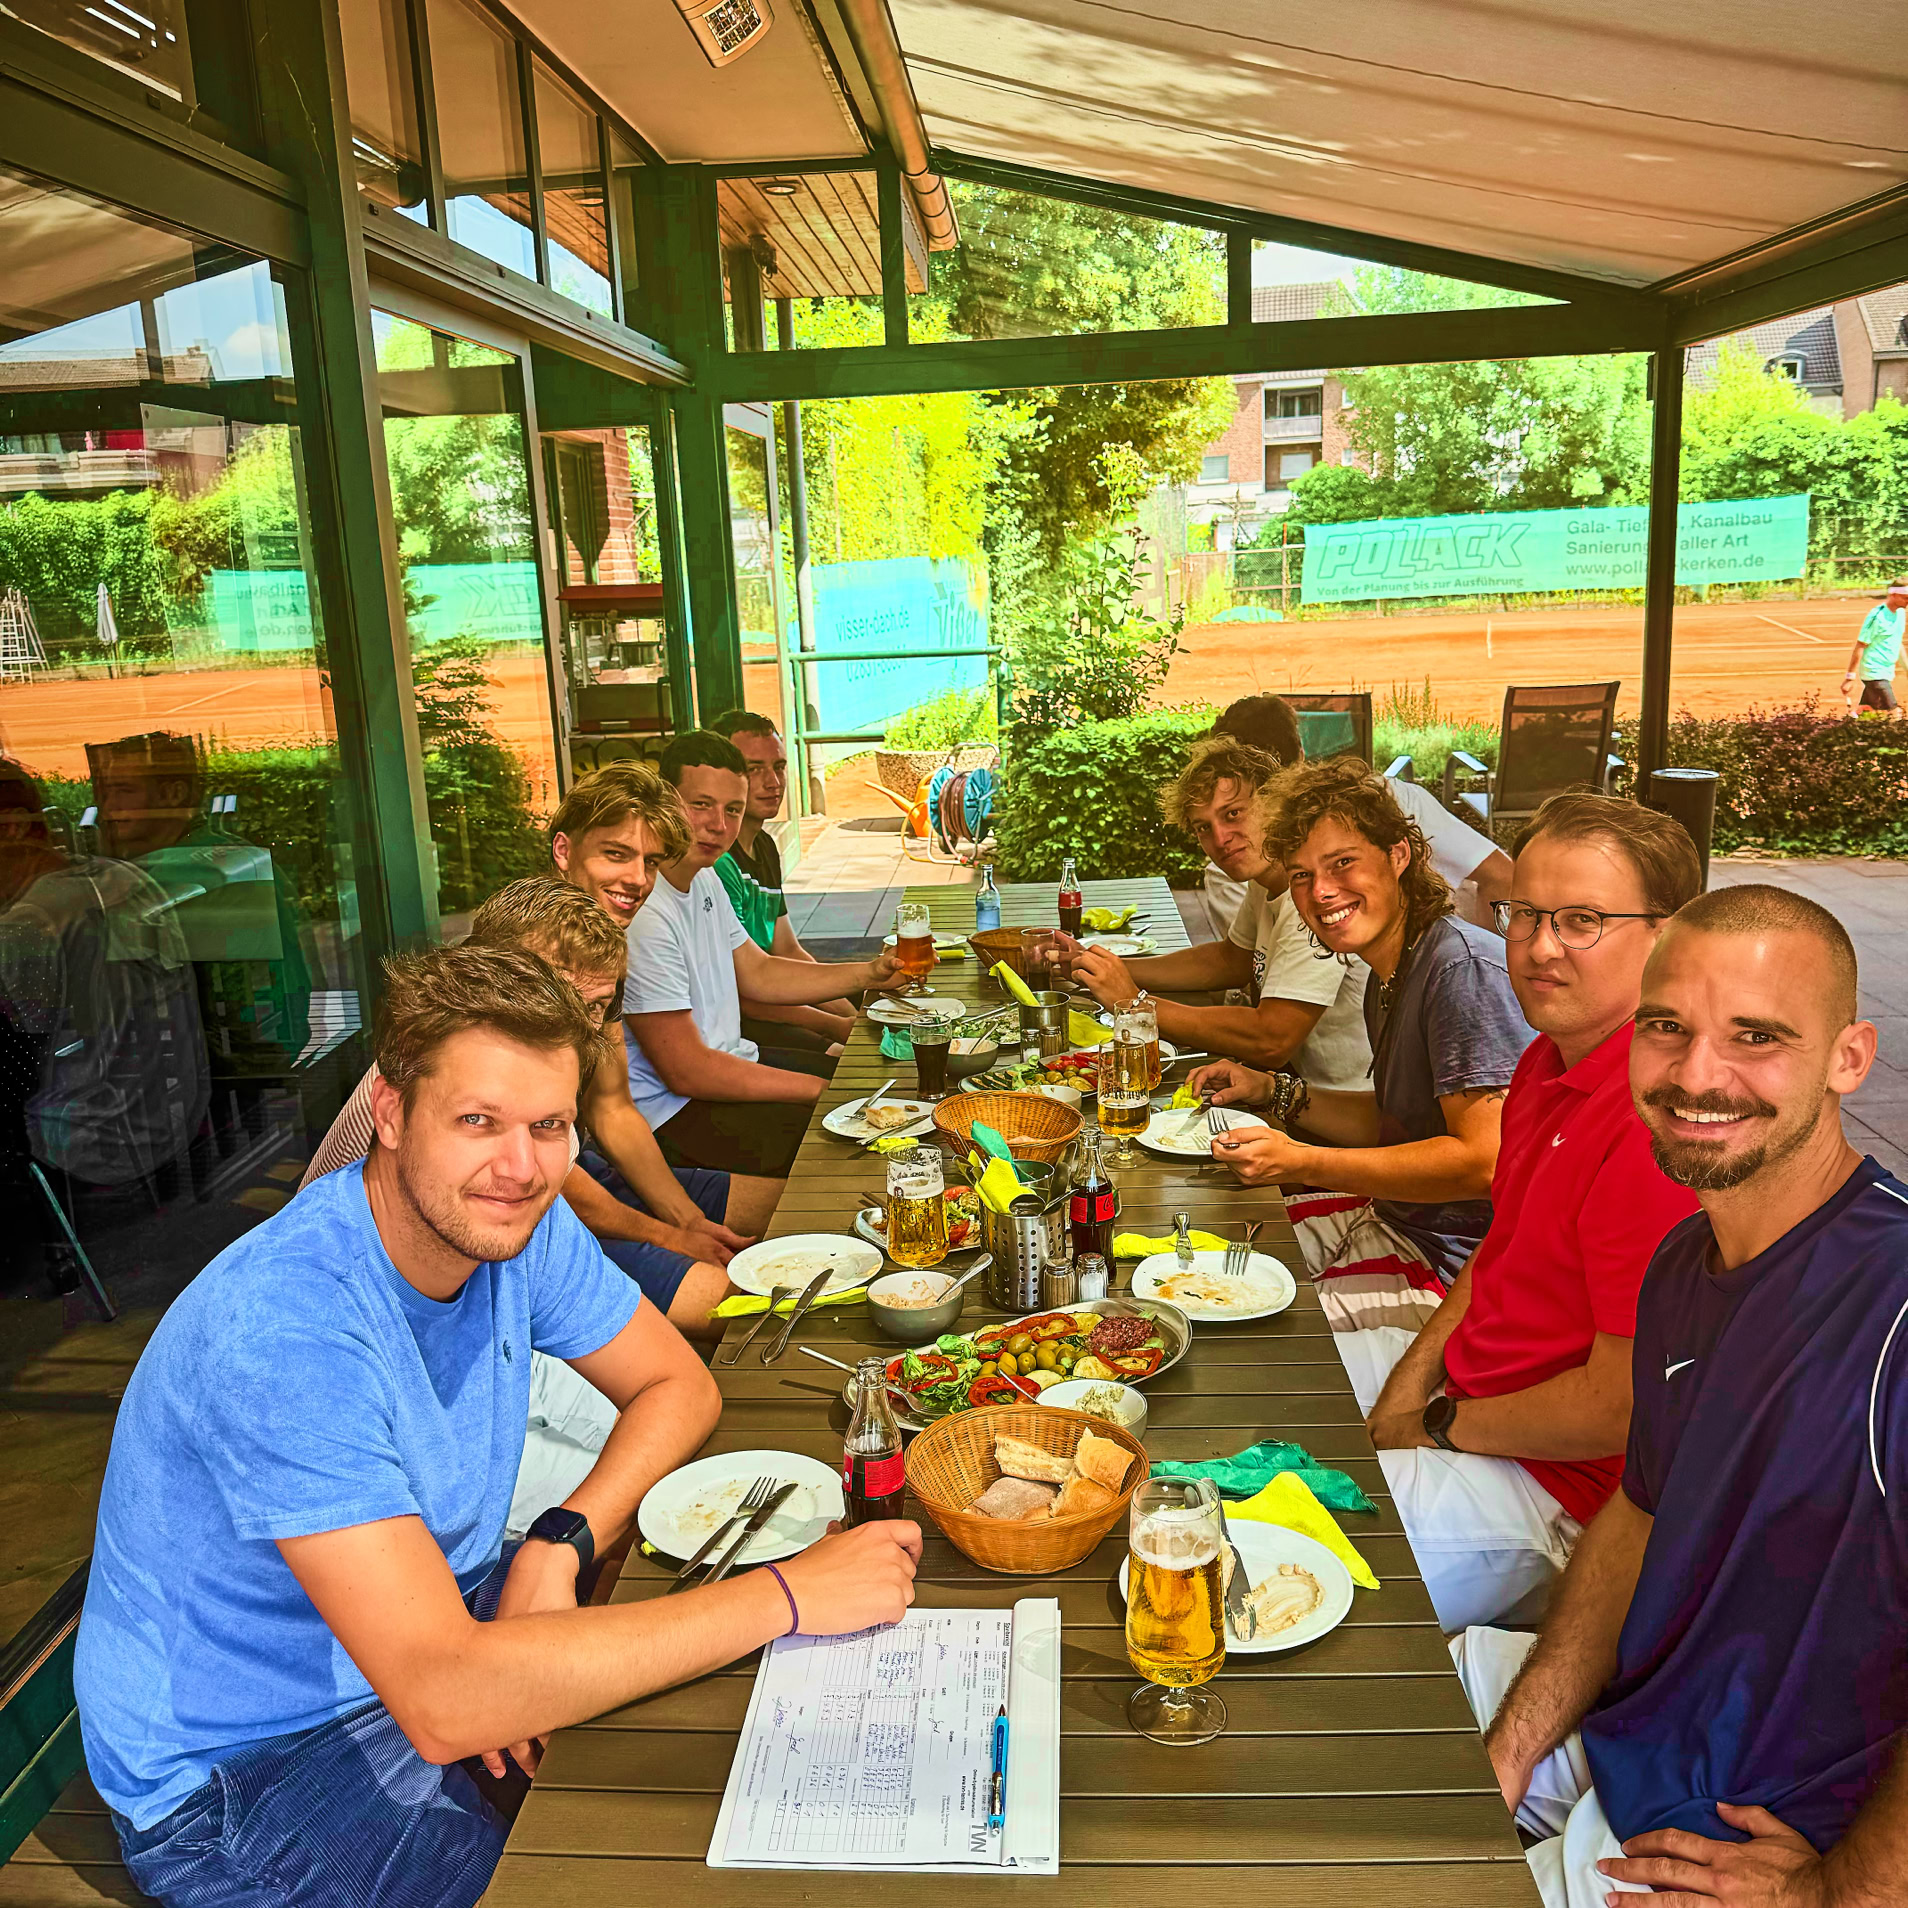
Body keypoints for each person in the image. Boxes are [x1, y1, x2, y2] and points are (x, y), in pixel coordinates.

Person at [75, 941, 922, 1908]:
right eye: (477, 1121)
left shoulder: (516, 1220)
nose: (519, 1166)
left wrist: (559, 1542)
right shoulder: (287, 1330)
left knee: (751, 1749)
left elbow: (678, 1386)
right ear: (390, 1115)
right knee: (611, 1864)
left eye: (549, 1125)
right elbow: (446, 1702)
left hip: (442, 1617)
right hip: (251, 1767)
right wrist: (791, 1594)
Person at [1455, 884, 1908, 1908]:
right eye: (1669, 1028)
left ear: (1849, 1057)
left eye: (1757, 1036)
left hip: (1743, 1826)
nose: (1700, 1075)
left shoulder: (1893, 1304)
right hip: (1640, 1727)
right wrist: (1516, 1745)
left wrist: (1834, 1895)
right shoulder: (1684, 1263)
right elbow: (1640, 1510)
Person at [1326, 795, 1702, 1633]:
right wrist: (1417, 1392)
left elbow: (1615, 1408)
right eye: (1524, 912)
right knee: (1275, 1391)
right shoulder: (1544, 1061)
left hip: (1556, 1492)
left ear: (1668, 936)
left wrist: (1437, 1425)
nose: (1535, 947)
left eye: (1581, 920)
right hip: (1474, 1396)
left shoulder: (1657, 1126)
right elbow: (1500, 1254)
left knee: (1286, 1566)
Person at [303, 877, 771, 1353]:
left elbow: (597, 1131)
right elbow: (541, 1192)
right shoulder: (457, 1073)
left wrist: (681, 1227)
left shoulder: (540, 1072)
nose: (579, 1026)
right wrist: (672, 1236)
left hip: (521, 1219)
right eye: (556, 997)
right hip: (426, 1272)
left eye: (596, 1008)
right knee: (740, 1308)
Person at [1196, 758, 1533, 1325]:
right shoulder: (1390, 967)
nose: (1322, 891)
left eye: (1342, 863)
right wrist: (1275, 1093)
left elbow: (1484, 1161)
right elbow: (1395, 1123)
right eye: (1301, 875)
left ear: (1399, 854)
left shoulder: (1460, 972)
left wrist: (1303, 1160)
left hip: (1454, 1273)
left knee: (1254, 1330)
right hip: (1398, 1223)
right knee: (1207, 1261)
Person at [625, 731, 901, 1178]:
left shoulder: (704, 874)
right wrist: (818, 1090)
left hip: (734, 1063)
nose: (719, 825)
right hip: (676, 1115)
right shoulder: (645, 911)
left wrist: (870, 973)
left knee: (866, 1086)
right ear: (663, 802)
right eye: (701, 805)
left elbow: (758, 970)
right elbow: (687, 1072)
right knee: (861, 1139)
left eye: (732, 809)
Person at [1063, 736, 1375, 1092]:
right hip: (1291, 1086)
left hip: (1343, 1106)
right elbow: (1231, 959)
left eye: (1233, 814)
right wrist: (1101, 968)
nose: (1220, 838)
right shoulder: (1267, 879)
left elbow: (1271, 1039)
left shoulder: (1311, 896)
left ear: (1273, 803)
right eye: (1203, 827)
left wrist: (1134, 1003)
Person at [1201, 694, 1512, 932]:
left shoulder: (1230, 861)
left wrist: (1478, 971)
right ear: (1302, 754)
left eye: (1344, 861)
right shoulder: (1393, 795)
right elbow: (1502, 877)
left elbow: (1502, 877)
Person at [705, 707, 857, 1052]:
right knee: (839, 1060)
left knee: (875, 1006)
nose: (772, 782)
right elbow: (745, 989)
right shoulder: (716, 864)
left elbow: (787, 949)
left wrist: (854, 1015)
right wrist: (836, 1026)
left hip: (775, 1000)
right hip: (744, 1023)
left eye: (779, 767)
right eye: (753, 769)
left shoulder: (764, 845)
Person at [547, 758, 685, 930]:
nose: (639, 879)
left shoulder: (594, 949)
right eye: (616, 854)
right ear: (563, 850)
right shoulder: (526, 949)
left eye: (651, 862)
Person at [1841, 578, 1907, 713]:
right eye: (1906, 597)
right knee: (1894, 713)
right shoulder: (1877, 616)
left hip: (1886, 672)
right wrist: (1850, 678)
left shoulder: (1900, 614)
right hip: (1874, 673)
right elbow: (1860, 645)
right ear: (1893, 595)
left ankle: (1850, 730)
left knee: (1867, 711)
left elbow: (1896, 642)